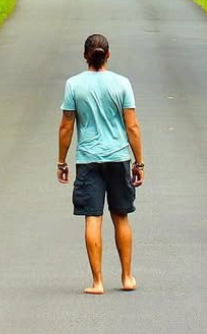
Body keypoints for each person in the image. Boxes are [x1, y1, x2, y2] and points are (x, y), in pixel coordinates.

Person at [57, 33, 144, 295]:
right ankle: (127, 277)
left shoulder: (74, 85)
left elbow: (66, 127)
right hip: (118, 157)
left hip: (88, 160)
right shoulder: (122, 84)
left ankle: (97, 282)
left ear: (85, 55)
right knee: (121, 217)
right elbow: (132, 126)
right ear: (108, 55)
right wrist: (139, 162)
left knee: (92, 218)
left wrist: (61, 161)